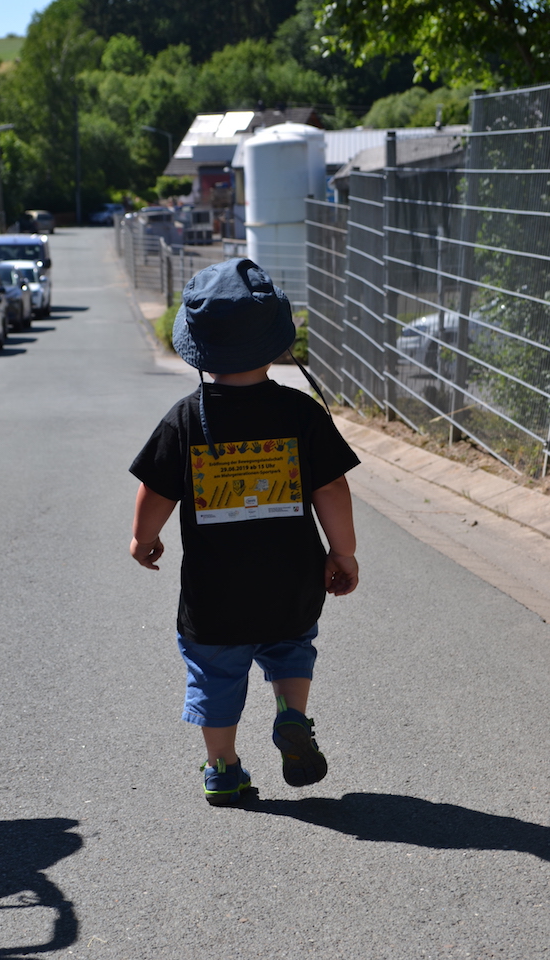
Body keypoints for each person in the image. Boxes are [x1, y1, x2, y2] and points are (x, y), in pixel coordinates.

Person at [129, 258, 360, 806]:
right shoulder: (300, 413)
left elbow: (156, 491)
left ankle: (224, 769)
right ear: (274, 341)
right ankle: (292, 715)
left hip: (215, 593)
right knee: (292, 647)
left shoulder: (186, 418)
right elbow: (332, 488)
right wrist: (342, 553)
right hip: (291, 581)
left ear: (200, 348)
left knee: (214, 673)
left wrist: (143, 539)